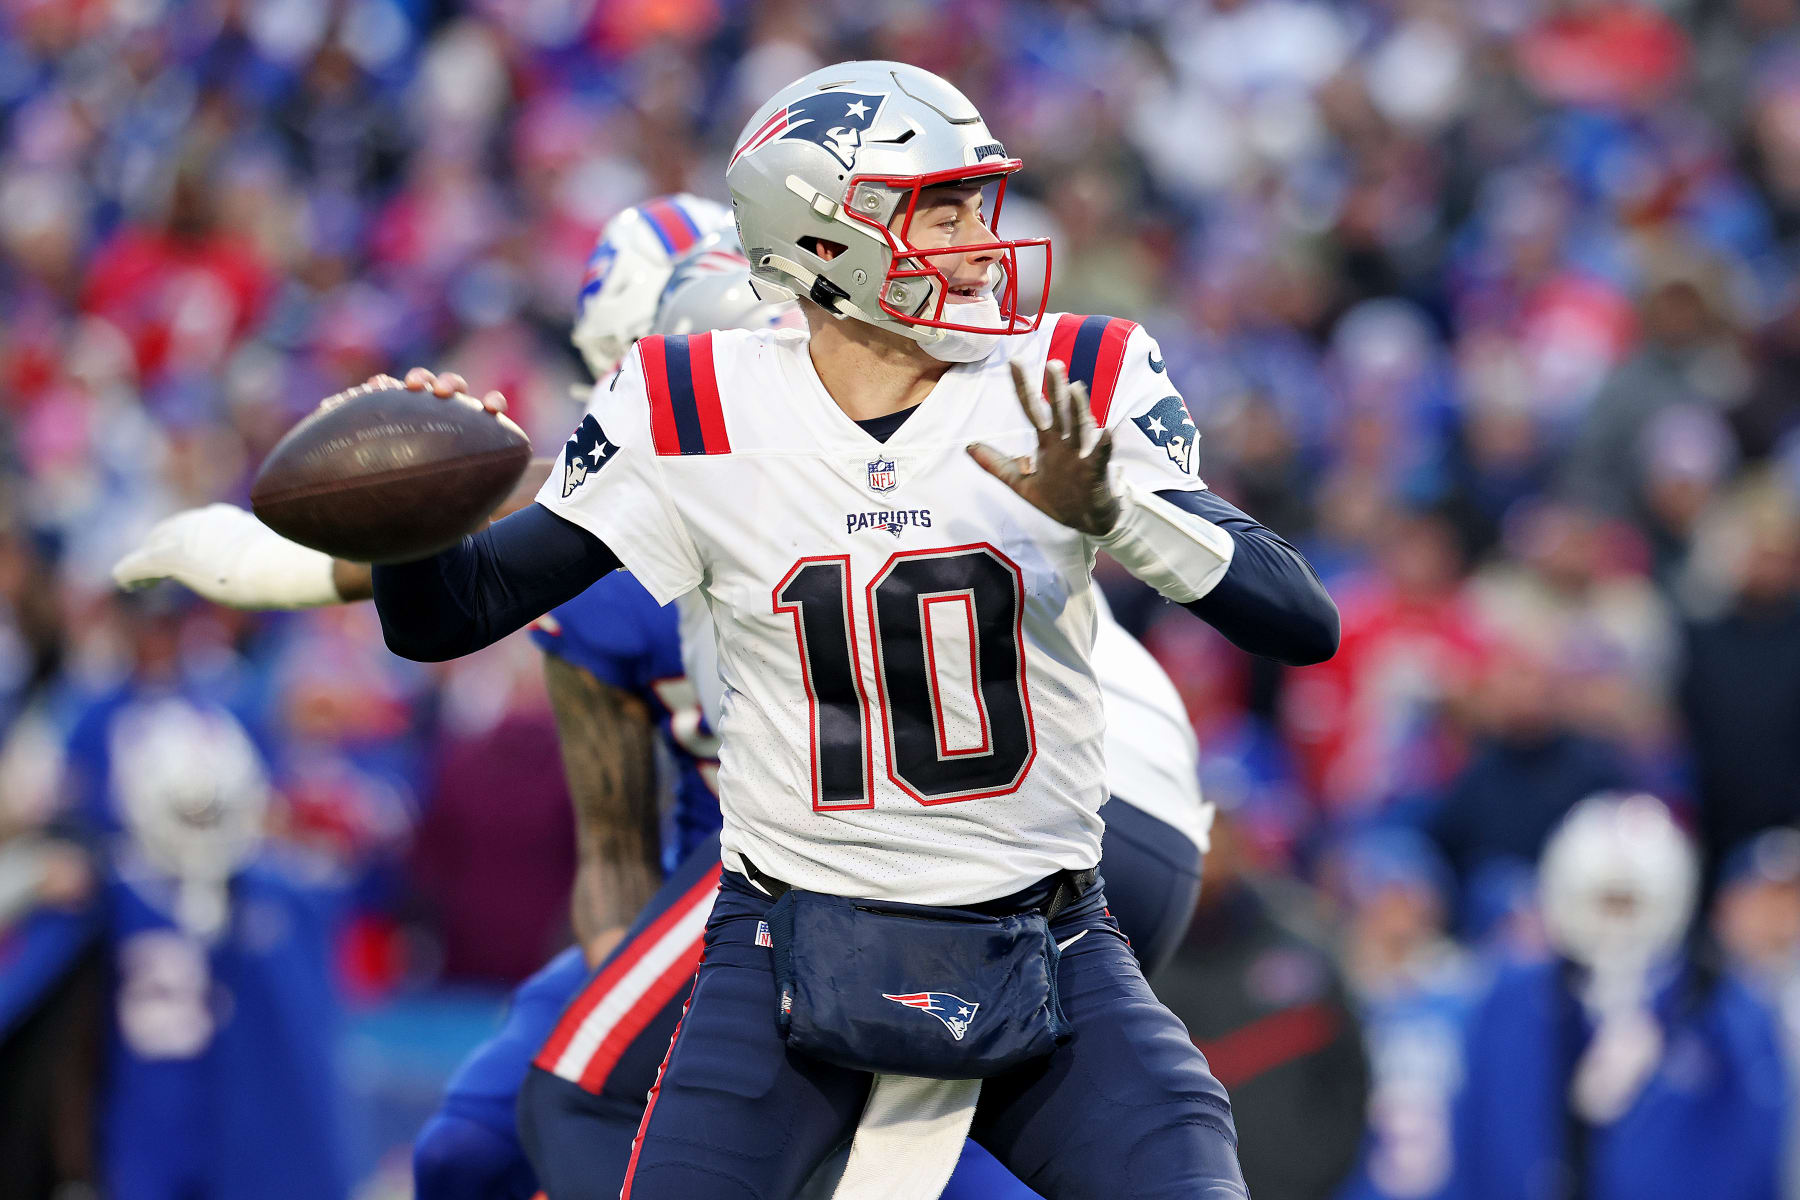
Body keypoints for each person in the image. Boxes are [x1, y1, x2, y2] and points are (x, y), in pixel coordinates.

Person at [365, 60, 1336, 1198]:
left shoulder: (1072, 375)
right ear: (824, 238)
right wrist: (401, 518)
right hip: (786, 945)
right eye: (942, 209)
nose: (983, 240)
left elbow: (1298, 619)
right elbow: (452, 615)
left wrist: (1119, 511)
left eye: (979, 202)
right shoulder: (694, 402)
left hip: (1048, 939)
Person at [117, 201, 1220, 1198]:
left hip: (943, 827)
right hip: (1115, 814)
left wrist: (270, 557)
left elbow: (542, 536)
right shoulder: (856, 420)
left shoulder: (709, 453)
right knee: (529, 1137)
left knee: (580, 1095)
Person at [1446, 793, 1788, 1200]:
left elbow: (1757, 1150)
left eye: (1627, 903)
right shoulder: (1512, 1000)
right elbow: (1474, 1137)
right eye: (1601, 901)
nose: (1612, 925)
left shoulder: (1724, 1009)